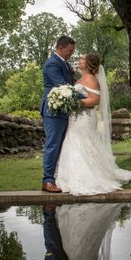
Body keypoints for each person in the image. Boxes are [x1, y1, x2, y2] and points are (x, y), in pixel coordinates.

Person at [55, 53, 131, 195]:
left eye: (82, 59)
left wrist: (75, 102)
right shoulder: (81, 78)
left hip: (85, 118)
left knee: (81, 143)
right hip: (76, 118)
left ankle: (88, 177)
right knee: (75, 142)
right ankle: (69, 176)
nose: (79, 61)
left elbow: (95, 100)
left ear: (88, 64)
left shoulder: (91, 79)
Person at [41, 36, 77, 193]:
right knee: (53, 145)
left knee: (61, 146)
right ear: (61, 48)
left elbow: (72, 84)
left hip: (62, 111)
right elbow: (64, 87)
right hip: (53, 111)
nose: (71, 53)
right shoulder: (52, 64)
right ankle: (47, 181)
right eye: (70, 50)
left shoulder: (65, 64)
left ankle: (57, 178)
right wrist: (88, 99)